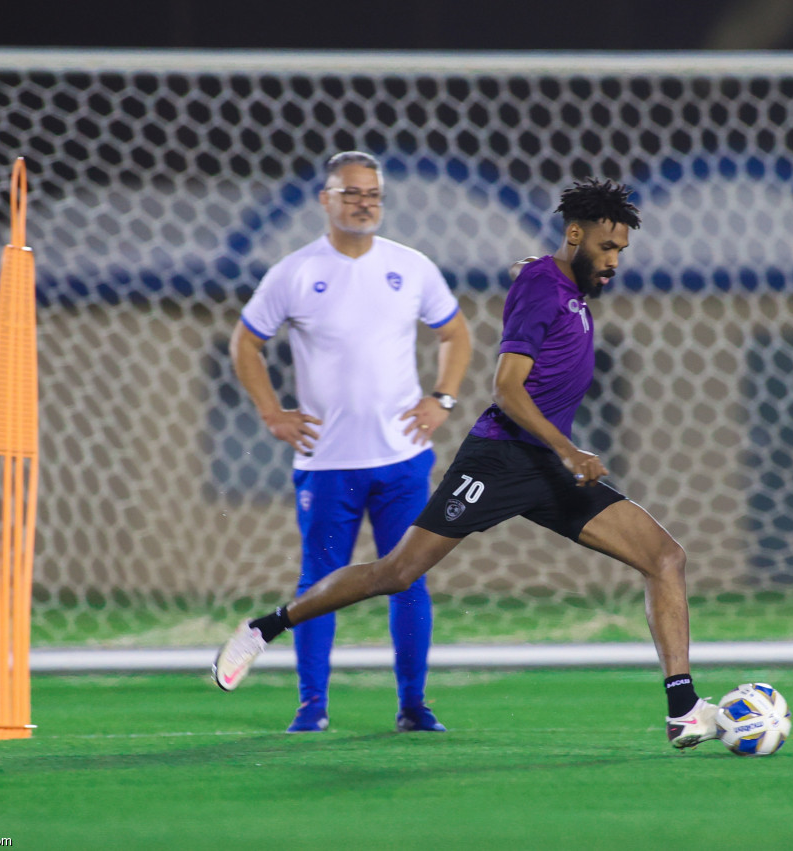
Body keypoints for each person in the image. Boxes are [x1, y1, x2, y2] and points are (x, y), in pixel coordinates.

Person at [216, 177, 723, 750]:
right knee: (396, 573)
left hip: (549, 467)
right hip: (502, 458)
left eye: (620, 253)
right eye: (606, 248)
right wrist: (568, 449)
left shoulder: (559, 281)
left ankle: (682, 709)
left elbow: (542, 285)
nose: (613, 262)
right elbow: (506, 388)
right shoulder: (544, 284)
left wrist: (560, 450)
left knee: (664, 556)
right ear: (575, 235)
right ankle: (267, 627)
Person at [226, 151, 473, 733]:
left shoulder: (410, 267)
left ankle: (413, 705)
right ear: (326, 200)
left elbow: (455, 334)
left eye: (373, 194)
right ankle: (312, 707)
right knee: (318, 584)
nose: (364, 203)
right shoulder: (293, 272)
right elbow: (245, 344)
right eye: (352, 193)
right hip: (328, 463)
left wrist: (442, 399)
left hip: (402, 461)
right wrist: (270, 412)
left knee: (407, 578)